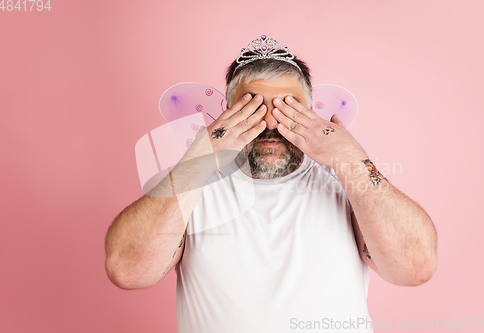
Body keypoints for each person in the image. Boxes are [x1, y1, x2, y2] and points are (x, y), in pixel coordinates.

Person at [105, 36, 438, 332]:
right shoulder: (195, 188)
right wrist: (198, 160)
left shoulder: (346, 185)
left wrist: (351, 159)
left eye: (286, 108)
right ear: (226, 113)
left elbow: (415, 268)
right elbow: (127, 270)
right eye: (251, 108)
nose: (269, 124)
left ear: (310, 111)